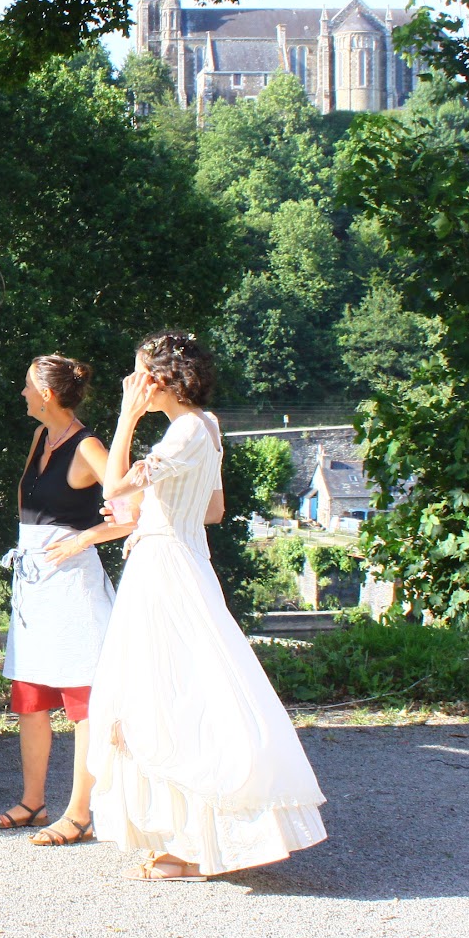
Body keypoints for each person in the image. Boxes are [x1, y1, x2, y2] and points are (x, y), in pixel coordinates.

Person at [86, 331, 327, 881]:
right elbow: (213, 508)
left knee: (169, 695)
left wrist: (126, 418)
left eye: (140, 373)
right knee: (180, 690)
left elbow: (115, 487)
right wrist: (156, 512)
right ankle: (183, 839)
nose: (134, 383)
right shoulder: (206, 426)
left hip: (164, 571)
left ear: (163, 379)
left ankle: (193, 846)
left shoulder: (186, 430)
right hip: (182, 561)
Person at [0, 355, 132, 845]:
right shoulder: (39, 437)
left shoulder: (87, 446)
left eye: (28, 386)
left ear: (46, 394)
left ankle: (80, 813)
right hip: (34, 585)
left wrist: (84, 538)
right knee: (30, 697)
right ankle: (33, 803)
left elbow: (133, 509)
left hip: (73, 588)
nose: (22, 393)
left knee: (82, 700)